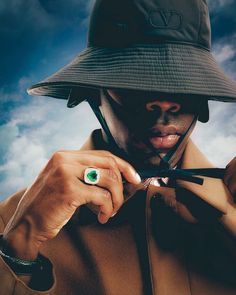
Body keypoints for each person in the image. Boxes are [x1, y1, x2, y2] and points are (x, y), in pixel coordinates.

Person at [0, 0, 236, 294]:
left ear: (203, 101)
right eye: (135, 79)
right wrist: (18, 247)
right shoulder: (11, 223)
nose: (163, 102)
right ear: (91, 92)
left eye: (184, 81)